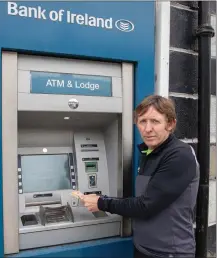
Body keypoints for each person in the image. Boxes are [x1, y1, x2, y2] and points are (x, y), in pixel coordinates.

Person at [73, 95, 199, 258]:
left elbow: (146, 205)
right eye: (142, 121)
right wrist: (101, 199)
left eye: (155, 121)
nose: (147, 129)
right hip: (143, 247)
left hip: (170, 252)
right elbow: (143, 198)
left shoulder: (179, 155)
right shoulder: (149, 152)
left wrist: (101, 202)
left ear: (170, 124)